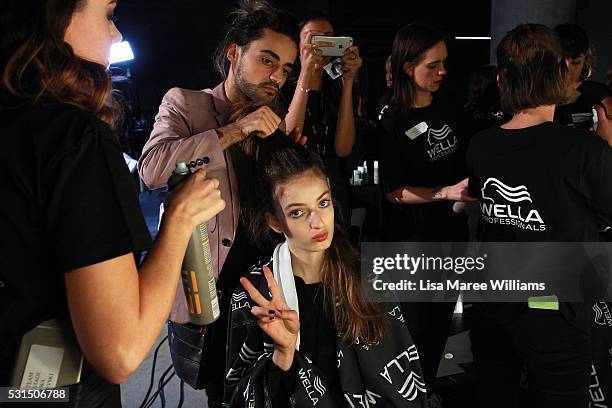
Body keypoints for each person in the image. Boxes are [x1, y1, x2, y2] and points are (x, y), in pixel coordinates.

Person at [0, 0, 224, 406]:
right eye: (107, 13)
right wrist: (179, 219)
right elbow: (120, 350)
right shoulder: (73, 136)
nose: (117, 34)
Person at [137, 1, 299, 405]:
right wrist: (234, 130)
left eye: (286, 70)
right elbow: (152, 169)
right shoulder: (187, 104)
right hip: (206, 286)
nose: (277, 77)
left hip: (264, 286)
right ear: (234, 53)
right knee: (219, 393)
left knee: (268, 387)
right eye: (267, 60)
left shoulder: (273, 123)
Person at [223, 133, 427, 407]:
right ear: (274, 222)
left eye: (323, 203)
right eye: (297, 212)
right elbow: (237, 397)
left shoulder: (368, 276)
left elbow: (403, 379)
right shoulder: (255, 295)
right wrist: (282, 356)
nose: (317, 222)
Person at [466, 23, 612, 408]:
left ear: (503, 79)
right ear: (561, 72)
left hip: (494, 300)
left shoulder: (481, 146)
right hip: (553, 310)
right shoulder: (583, 150)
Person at [378, 23, 475, 396]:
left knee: (439, 326)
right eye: (433, 66)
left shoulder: (450, 108)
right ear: (407, 67)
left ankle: (428, 391)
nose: (442, 72)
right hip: (413, 244)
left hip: (452, 237)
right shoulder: (392, 123)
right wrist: (445, 192)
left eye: (444, 64)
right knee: (414, 330)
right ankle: (408, 397)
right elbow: (394, 192)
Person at [283, 12, 362, 231]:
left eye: (329, 36)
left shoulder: (336, 85)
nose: (323, 42)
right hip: (294, 185)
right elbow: (288, 135)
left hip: (333, 188)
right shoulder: (284, 84)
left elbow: (343, 148)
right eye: (314, 37)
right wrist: (306, 71)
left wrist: (348, 81)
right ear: (298, 44)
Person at [553, 24, 611, 130]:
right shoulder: (538, 94)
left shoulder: (598, 95)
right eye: (559, 62)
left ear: (585, 60)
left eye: (576, 62)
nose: (567, 70)